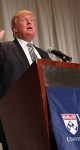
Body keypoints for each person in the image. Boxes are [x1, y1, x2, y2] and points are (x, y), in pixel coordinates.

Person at [0, 10, 51, 150]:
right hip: (15, 120)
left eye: (31, 20)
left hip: (45, 119)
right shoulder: (4, 48)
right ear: (15, 28)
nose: (29, 22)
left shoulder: (44, 54)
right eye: (23, 19)